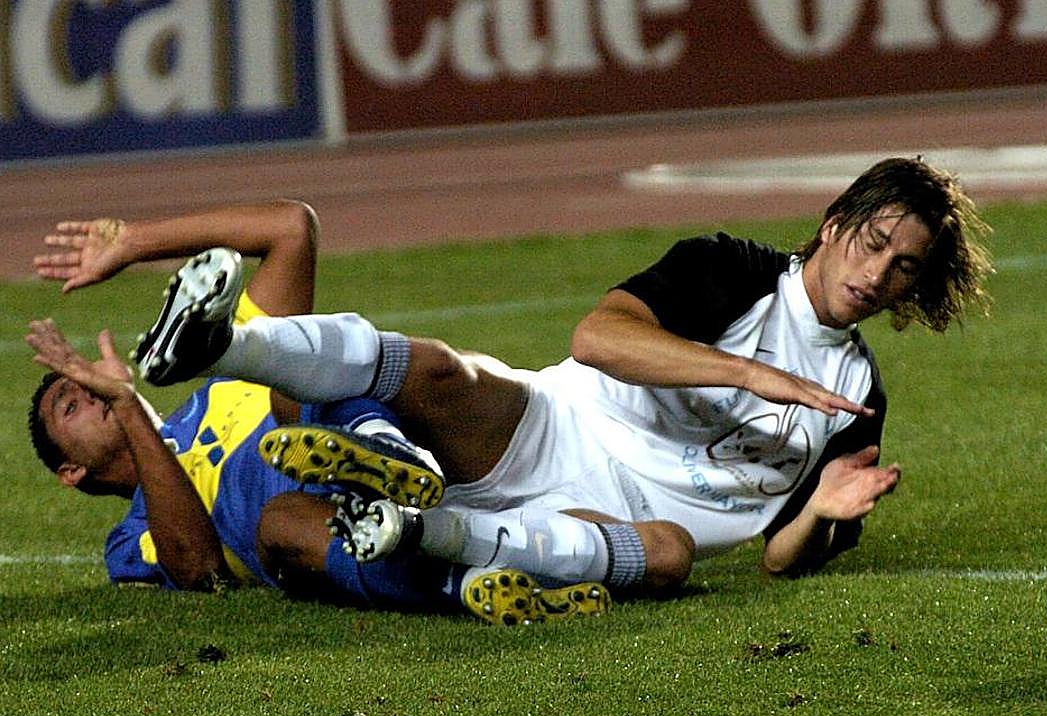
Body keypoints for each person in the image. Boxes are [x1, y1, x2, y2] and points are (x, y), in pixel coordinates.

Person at [125, 156, 993, 595]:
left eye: (906, 269)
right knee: (439, 371)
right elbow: (596, 339)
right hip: (554, 428)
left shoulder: (858, 400)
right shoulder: (729, 271)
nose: (879, 275)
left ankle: (418, 522)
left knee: (671, 557)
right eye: (874, 245)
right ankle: (219, 349)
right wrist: (753, 376)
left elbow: (777, 559)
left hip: (621, 525)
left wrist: (823, 515)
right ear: (835, 221)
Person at [25, 201, 610, 625]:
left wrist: (133, 242)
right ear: (69, 472)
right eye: (70, 401)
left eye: (87, 382)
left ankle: (383, 452)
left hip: (444, 458)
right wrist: (129, 407)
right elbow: (200, 569)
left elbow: (289, 229)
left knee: (291, 377)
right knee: (279, 523)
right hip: (372, 533)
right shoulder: (130, 538)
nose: (92, 389)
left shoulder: (219, 389)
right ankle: (477, 585)